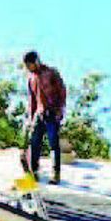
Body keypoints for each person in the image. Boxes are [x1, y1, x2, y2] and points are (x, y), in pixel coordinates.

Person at [22, 50, 66, 184]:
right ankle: (33, 172)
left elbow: (62, 91)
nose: (29, 68)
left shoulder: (51, 73)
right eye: (27, 66)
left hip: (52, 112)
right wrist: (30, 119)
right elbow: (32, 101)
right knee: (34, 143)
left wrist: (60, 110)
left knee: (53, 143)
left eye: (30, 64)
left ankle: (55, 174)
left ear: (36, 61)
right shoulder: (31, 79)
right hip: (39, 115)